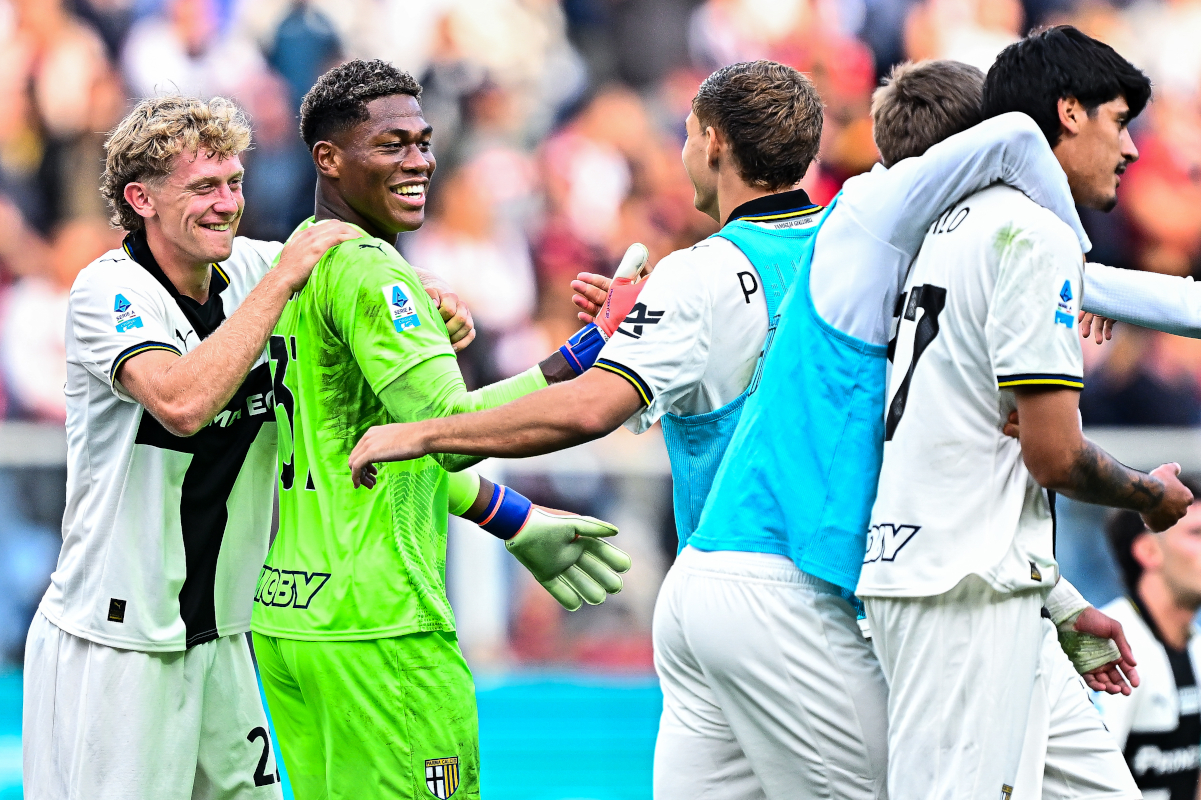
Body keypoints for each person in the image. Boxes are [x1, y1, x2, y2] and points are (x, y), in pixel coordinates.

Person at [345, 59, 1118, 799]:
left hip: (752, 590)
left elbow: (589, 409)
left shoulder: (702, 274)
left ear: (711, 142)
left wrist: (427, 431)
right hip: (828, 589)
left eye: (685, 131)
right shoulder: (879, 260)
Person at [249, 59, 631, 800]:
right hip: (384, 627)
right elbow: (447, 433)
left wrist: (513, 517)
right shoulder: (374, 275)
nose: (418, 160)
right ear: (327, 158)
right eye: (391, 144)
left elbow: (376, 448)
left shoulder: (295, 262)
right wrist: (583, 353)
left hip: (294, 622)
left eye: (422, 142)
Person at [858, 26, 1192, 800]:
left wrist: (1058, 599)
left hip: (996, 583)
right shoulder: (1029, 233)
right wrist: (1149, 496)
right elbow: (1051, 454)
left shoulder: (944, 231)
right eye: (1118, 120)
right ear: (1067, 113)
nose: (1132, 148)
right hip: (956, 592)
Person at [21, 95, 360, 800]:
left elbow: (364, 282)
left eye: (234, 184)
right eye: (204, 187)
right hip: (118, 642)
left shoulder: (258, 269)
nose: (226, 204)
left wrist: (427, 303)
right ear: (141, 198)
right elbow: (179, 402)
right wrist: (279, 287)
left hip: (220, 635)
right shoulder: (106, 291)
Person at [1098, 481, 1201, 800]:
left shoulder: (1196, 643)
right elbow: (1081, 785)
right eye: (1196, 534)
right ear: (1148, 551)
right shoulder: (1108, 646)